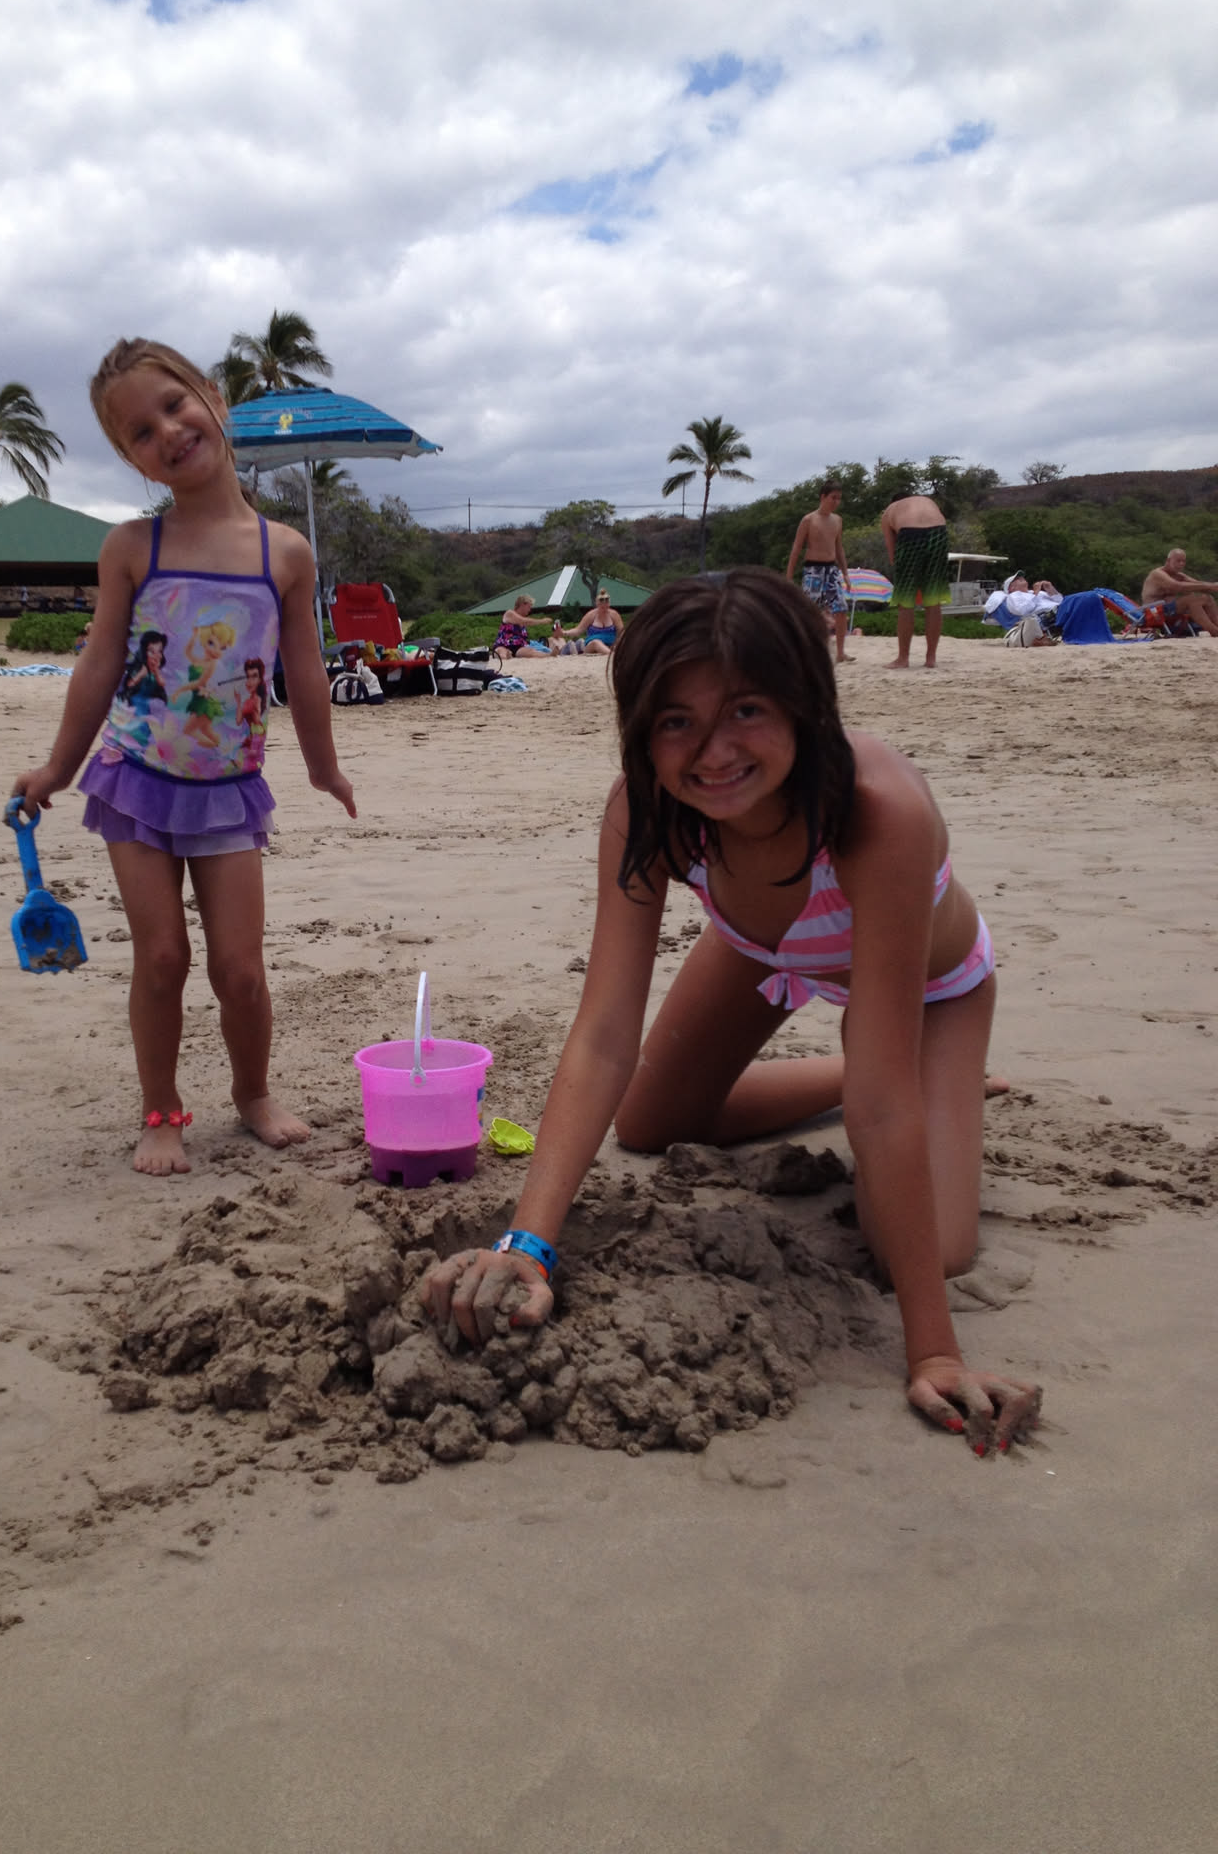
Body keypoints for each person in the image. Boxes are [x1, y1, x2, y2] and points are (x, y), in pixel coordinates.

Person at [423, 572, 1039, 1454]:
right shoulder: (647, 808)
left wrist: (933, 1351)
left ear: (805, 705)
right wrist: (528, 1244)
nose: (713, 753)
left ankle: (940, 1075)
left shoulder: (878, 815)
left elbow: (880, 1105)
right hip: (763, 945)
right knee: (648, 1123)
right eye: (676, 722)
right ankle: (876, 1075)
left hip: (929, 985)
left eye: (746, 710)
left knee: (932, 1248)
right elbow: (604, 1036)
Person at [12, 337, 356, 1176]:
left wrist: (323, 766)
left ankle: (253, 1094)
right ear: (130, 457)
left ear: (211, 396)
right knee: (163, 957)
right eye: (140, 431)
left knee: (241, 972)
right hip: (134, 783)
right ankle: (161, 1110)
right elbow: (100, 665)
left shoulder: (284, 553)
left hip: (229, 789)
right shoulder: (135, 547)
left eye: (174, 406)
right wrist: (57, 769)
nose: (166, 431)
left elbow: (305, 669)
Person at [785, 482, 853, 662]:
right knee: (810, 611)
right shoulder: (809, 520)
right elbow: (796, 548)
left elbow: (839, 548)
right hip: (813, 569)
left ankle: (840, 652)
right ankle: (807, 650)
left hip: (831, 569)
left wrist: (845, 573)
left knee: (841, 608)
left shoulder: (837, 520)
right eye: (833, 498)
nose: (836, 502)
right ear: (823, 497)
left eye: (838, 498)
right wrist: (789, 577)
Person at [881, 494, 950, 668]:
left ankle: (903, 658)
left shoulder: (889, 511)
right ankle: (931, 658)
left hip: (910, 534)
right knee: (933, 600)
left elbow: (893, 556)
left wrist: (908, 584)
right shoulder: (927, 501)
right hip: (938, 531)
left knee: (906, 603)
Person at [1140, 548, 1218, 636]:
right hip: (1153, 612)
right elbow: (1177, 586)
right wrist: (1210, 586)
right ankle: (1214, 631)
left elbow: (1199, 585)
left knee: (1207, 598)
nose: (1181, 564)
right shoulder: (1157, 574)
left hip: (1169, 610)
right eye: (1178, 561)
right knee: (1192, 600)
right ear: (1168, 561)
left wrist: (1213, 586)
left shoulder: (1179, 576)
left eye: (1183, 561)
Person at [560, 589, 625, 655]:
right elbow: (578, 630)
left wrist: (618, 642)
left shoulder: (614, 615)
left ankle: (612, 651)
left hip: (611, 643)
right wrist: (565, 632)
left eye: (606, 604)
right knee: (596, 643)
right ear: (597, 604)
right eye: (602, 605)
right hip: (592, 645)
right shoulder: (591, 615)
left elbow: (622, 632)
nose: (604, 607)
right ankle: (611, 654)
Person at [495, 595, 559, 657]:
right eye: (529, 607)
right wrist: (542, 621)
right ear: (523, 605)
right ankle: (506, 655)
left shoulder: (523, 620)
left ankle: (549, 655)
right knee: (502, 652)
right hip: (503, 644)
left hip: (517, 647)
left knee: (530, 651)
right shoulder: (509, 613)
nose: (530, 610)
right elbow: (524, 621)